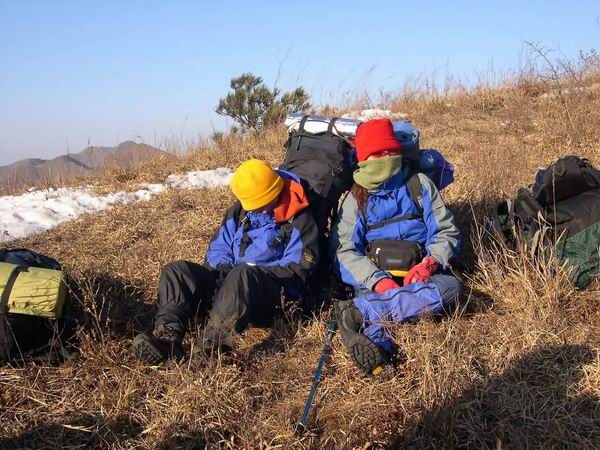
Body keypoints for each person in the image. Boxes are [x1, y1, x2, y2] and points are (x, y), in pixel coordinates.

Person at [133, 159, 320, 365]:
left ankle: (210, 350)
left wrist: (250, 273)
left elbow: (299, 269)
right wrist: (223, 270)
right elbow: (219, 247)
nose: (258, 210)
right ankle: (167, 336)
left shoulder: (299, 218)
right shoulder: (240, 211)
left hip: (271, 294)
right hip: (231, 283)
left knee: (243, 274)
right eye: (253, 205)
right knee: (176, 271)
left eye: (261, 204)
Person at [331, 118, 462, 373]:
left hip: (421, 277)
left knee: (452, 289)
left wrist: (429, 264)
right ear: (364, 159)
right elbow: (343, 251)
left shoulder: (419, 184)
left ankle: (361, 313)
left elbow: (446, 232)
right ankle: (379, 353)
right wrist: (377, 280)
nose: (386, 158)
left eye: (391, 151)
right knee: (371, 297)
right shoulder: (355, 198)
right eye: (378, 154)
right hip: (375, 281)